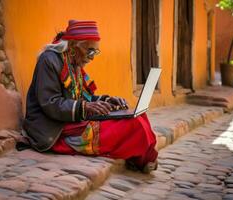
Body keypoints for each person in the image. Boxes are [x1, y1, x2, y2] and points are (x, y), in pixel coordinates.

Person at [22, 20, 158, 173]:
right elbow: (51, 103)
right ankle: (143, 158)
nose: (92, 57)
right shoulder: (49, 60)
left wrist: (106, 100)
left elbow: (84, 97)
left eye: (95, 52)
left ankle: (142, 157)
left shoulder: (73, 63)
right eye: (90, 51)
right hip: (53, 127)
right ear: (74, 46)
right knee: (132, 125)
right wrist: (85, 107)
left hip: (71, 119)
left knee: (138, 116)